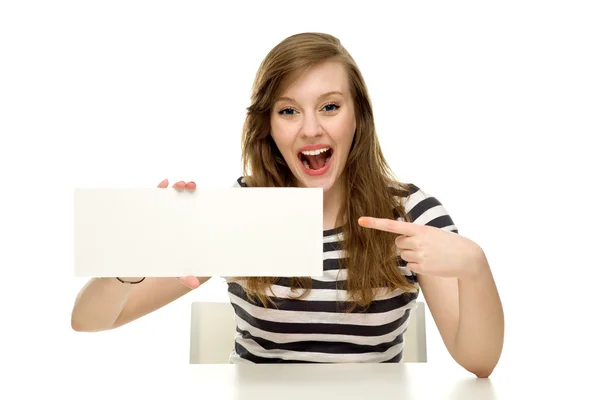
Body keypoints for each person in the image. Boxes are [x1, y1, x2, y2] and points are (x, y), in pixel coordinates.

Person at [71, 32, 504, 377]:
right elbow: (90, 321)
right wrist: (131, 262)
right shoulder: (239, 214)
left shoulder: (409, 214)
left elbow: (479, 362)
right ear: (269, 126)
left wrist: (475, 266)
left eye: (330, 107)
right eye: (289, 111)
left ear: (358, 117)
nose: (311, 129)